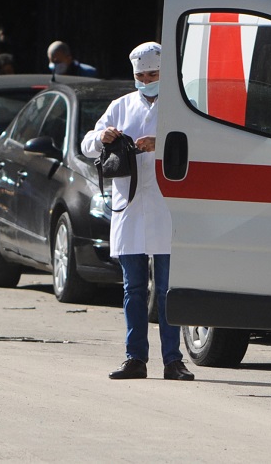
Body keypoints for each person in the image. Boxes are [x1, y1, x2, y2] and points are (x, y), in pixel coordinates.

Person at [80, 41, 194, 381]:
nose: (146, 80)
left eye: (153, 75)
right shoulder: (121, 106)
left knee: (167, 290)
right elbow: (87, 145)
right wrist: (102, 136)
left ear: (164, 73)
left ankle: (173, 360)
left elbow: (195, 143)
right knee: (133, 289)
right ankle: (135, 358)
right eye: (141, 76)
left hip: (166, 206)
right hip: (129, 206)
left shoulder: (179, 106)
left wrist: (160, 143)